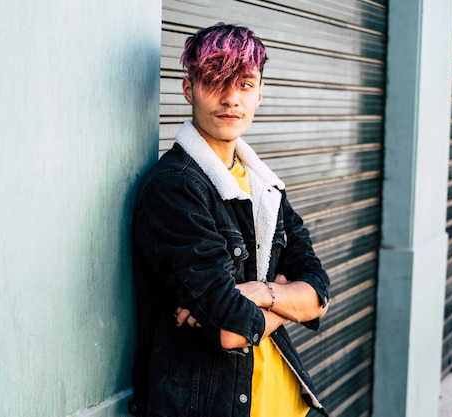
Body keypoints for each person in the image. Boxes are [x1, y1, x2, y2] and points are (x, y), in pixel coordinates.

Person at [129, 22, 330, 417]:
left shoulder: (265, 186)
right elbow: (231, 331)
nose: (229, 98)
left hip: (289, 403)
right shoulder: (174, 187)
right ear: (188, 89)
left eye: (243, 84)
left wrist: (258, 293)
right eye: (213, 80)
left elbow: (319, 291)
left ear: (259, 93)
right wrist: (287, 295)